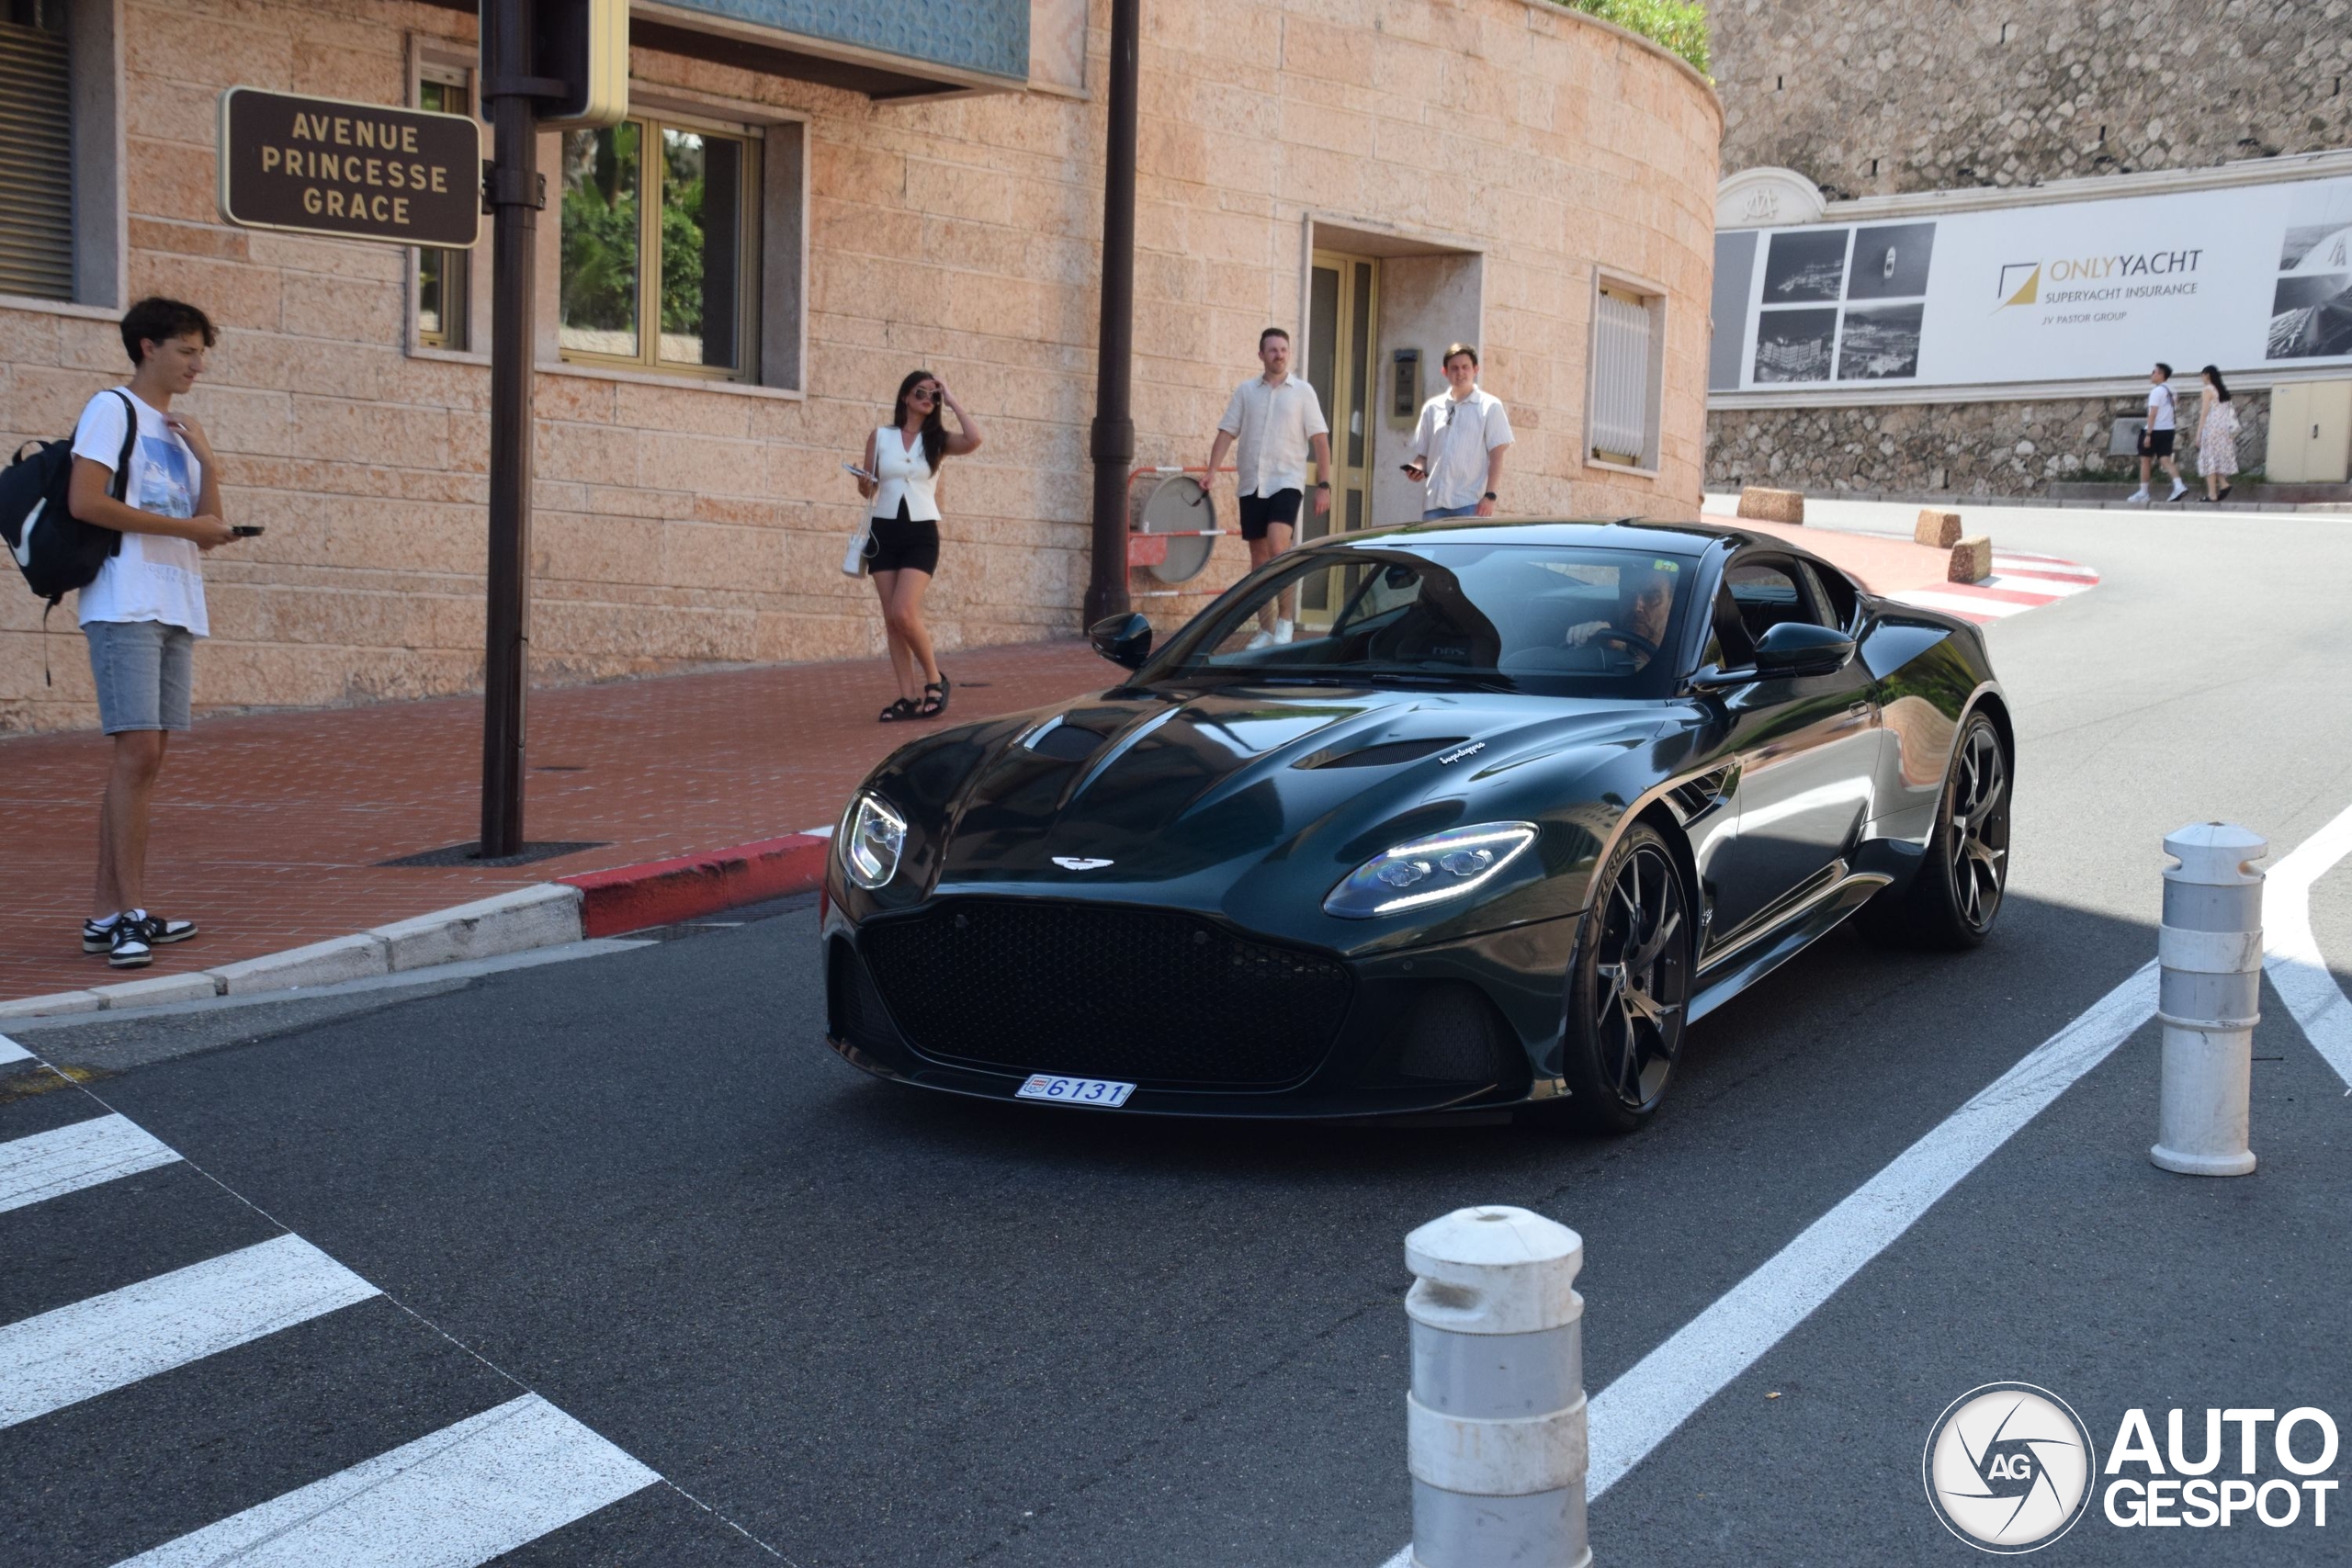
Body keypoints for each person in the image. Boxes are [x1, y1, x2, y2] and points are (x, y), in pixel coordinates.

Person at [66, 297, 240, 969]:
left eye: (201, 352)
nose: (198, 363)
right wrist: (189, 530)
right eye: (187, 350)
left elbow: (210, 526)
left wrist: (208, 462)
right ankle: (125, 916)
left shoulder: (176, 427)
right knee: (136, 754)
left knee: (148, 759)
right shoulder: (111, 409)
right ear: (147, 346)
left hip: (174, 602)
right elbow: (87, 501)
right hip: (125, 600)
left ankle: (110, 913)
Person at [854, 370, 981, 720]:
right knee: (891, 620)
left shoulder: (937, 439)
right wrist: (865, 483)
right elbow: (869, 490)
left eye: (933, 395)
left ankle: (936, 679)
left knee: (903, 611)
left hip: (921, 532)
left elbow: (974, 439)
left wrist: (951, 398)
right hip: (884, 531)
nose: (928, 398)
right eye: (920, 392)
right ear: (906, 398)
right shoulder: (880, 436)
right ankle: (907, 697)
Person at [1205, 328, 1334, 648]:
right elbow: (1226, 433)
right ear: (1261, 354)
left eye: (1283, 349)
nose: (1279, 355)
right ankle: (1264, 630)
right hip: (1253, 483)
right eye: (1272, 350)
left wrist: (1325, 484)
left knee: (1280, 547)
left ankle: (1286, 622)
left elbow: (1320, 440)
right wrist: (1211, 471)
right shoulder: (1247, 392)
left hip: (1286, 481)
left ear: (1288, 354)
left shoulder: (1303, 392)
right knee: (1260, 558)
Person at [1403, 344, 1512, 520]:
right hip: (1434, 506)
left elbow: (1497, 456)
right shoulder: (1432, 408)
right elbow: (1423, 455)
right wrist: (1416, 468)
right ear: (1444, 372)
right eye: (1454, 368)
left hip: (1471, 504)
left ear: (1475, 369)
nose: (1460, 373)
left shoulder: (1490, 407)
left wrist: (1490, 495)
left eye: (1465, 367)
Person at [1564, 560, 1676, 671]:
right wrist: (1582, 640)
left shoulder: (1685, 655)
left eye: (1652, 597)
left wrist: (1625, 654)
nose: (1636, 606)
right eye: (1627, 595)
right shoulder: (1603, 643)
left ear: (1672, 604)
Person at [2129, 362, 2188, 503]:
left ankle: (2143, 492)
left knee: (2145, 460)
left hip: (2155, 429)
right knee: (2165, 459)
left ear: (2161, 374)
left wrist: (2148, 434)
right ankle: (2179, 485)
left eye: (2154, 372)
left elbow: (2153, 414)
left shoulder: (2156, 391)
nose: (2151, 374)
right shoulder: (2172, 390)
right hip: (2168, 429)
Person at [2192, 364, 2239, 503]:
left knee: (2209, 460)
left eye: (2202, 375)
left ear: (2207, 375)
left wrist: (2198, 433)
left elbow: (2205, 412)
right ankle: (2223, 484)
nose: (2201, 378)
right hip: (2223, 429)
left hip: (2211, 427)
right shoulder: (2222, 390)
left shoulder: (2207, 390)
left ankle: (2212, 494)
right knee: (2216, 459)